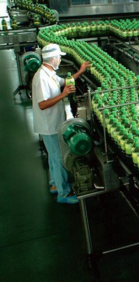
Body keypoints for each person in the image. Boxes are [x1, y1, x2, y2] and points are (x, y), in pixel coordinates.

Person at [32, 44, 91, 204]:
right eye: (59, 57)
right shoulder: (41, 78)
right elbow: (42, 104)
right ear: (52, 58)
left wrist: (81, 70)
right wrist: (63, 94)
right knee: (58, 157)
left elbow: (65, 81)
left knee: (53, 156)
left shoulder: (50, 73)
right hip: (49, 125)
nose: (60, 60)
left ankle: (54, 185)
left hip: (52, 122)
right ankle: (63, 193)